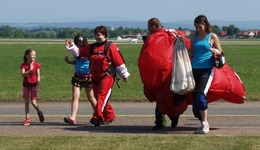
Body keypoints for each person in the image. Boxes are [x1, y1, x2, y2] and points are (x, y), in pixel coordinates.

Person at [66, 26, 130, 126]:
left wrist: (124, 74)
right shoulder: (91, 47)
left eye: (99, 35)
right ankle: (109, 115)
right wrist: (71, 46)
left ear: (105, 35)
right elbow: (79, 52)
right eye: (95, 35)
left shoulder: (110, 46)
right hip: (95, 77)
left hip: (107, 76)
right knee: (99, 97)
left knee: (101, 96)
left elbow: (118, 61)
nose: (97, 37)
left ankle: (97, 118)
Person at [189, 15, 223, 134]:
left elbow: (221, 52)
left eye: (200, 27)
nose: (198, 29)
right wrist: (180, 47)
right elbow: (191, 53)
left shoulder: (212, 36)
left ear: (205, 25)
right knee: (195, 99)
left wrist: (215, 51)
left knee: (200, 95)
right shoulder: (194, 36)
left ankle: (205, 124)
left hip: (207, 70)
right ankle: (201, 121)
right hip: (193, 70)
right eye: (196, 27)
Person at [64, 33, 97, 125]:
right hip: (77, 77)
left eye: (81, 42)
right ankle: (73, 117)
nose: (80, 44)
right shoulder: (77, 51)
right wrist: (69, 62)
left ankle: (99, 115)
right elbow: (77, 61)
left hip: (88, 77)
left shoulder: (88, 50)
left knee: (90, 97)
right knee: (75, 97)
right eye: (78, 43)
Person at [20, 48, 44, 126]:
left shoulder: (36, 65)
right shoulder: (24, 65)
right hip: (26, 85)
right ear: (27, 56)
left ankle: (39, 111)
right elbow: (23, 74)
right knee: (26, 103)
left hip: (34, 85)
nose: (34, 56)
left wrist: (38, 85)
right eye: (32, 55)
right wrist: (30, 70)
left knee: (33, 102)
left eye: (35, 55)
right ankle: (27, 119)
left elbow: (38, 76)